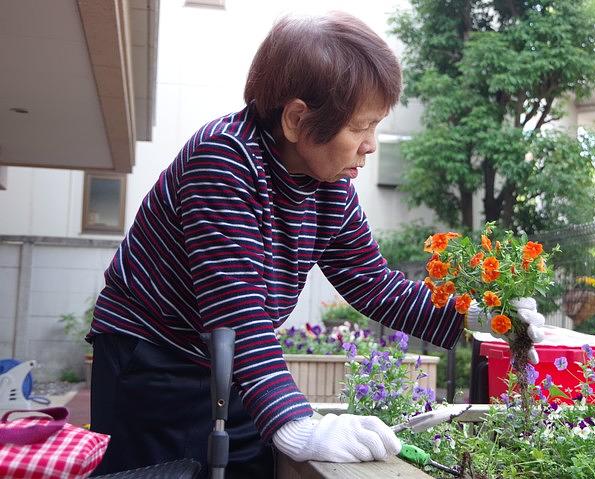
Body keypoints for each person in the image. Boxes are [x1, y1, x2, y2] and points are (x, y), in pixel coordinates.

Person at [87, 11, 545, 478]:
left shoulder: (329, 185)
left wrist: (475, 312)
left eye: (375, 127)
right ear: (297, 119)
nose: (370, 146)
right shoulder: (222, 159)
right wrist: (296, 421)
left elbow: (372, 282)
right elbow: (237, 308)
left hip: (229, 362)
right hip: (152, 356)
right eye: (359, 127)